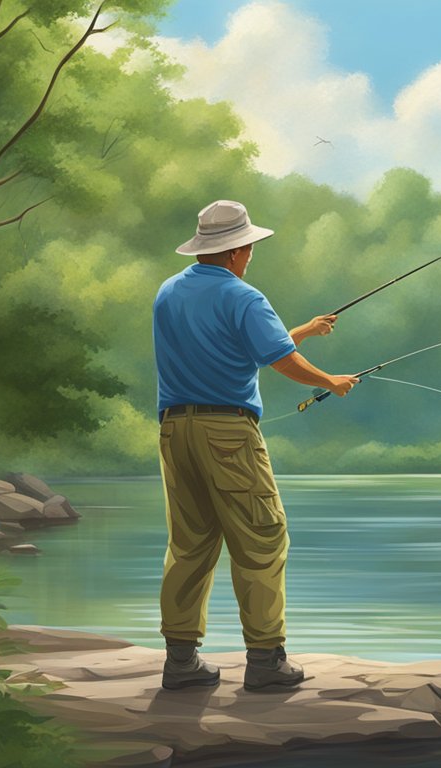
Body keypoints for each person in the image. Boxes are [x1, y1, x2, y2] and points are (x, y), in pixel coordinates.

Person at [153, 200, 359, 692]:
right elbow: (281, 362)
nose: (251, 255)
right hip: (228, 433)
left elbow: (237, 352)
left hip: (175, 432)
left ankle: (180, 661)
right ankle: (266, 660)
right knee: (262, 538)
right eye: (249, 247)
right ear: (236, 249)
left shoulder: (169, 292)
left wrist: (304, 331)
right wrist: (331, 381)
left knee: (190, 541)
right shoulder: (244, 296)